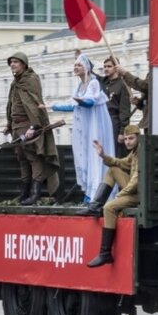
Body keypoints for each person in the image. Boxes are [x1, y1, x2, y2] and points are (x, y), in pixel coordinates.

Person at [45, 51, 113, 203]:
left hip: (95, 126)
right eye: (75, 65)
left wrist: (80, 101)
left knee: (95, 156)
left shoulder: (94, 83)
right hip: (84, 127)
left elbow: (89, 103)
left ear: (86, 67)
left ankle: (98, 193)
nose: (76, 67)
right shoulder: (78, 86)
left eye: (79, 65)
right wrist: (52, 107)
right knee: (85, 156)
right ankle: (89, 191)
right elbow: (72, 106)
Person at [5, 51, 60, 205]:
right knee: (22, 159)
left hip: (27, 125)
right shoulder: (15, 82)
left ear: (23, 64)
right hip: (17, 126)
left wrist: (33, 126)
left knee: (33, 158)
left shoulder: (31, 80)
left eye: (16, 62)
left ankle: (35, 194)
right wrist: (9, 124)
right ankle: (24, 193)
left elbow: (35, 105)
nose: (12, 65)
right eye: (11, 62)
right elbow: (12, 104)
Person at [83, 126, 142, 267]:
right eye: (126, 139)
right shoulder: (134, 152)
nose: (127, 142)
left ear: (139, 137)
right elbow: (121, 164)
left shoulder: (141, 152)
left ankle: (105, 253)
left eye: (131, 138)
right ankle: (96, 205)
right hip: (133, 191)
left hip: (138, 195)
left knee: (109, 207)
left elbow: (136, 181)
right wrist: (103, 155)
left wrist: (121, 194)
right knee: (113, 170)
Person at [100, 56, 132, 155]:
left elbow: (125, 110)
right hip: (102, 120)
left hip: (114, 122)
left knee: (115, 153)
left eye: (109, 66)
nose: (106, 69)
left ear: (116, 68)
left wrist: (122, 132)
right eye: (104, 66)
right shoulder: (103, 82)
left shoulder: (123, 85)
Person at [114, 60, 151, 132]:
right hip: (148, 121)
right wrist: (139, 102)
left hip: (153, 122)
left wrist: (126, 74)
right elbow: (148, 98)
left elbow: (145, 86)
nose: (147, 59)